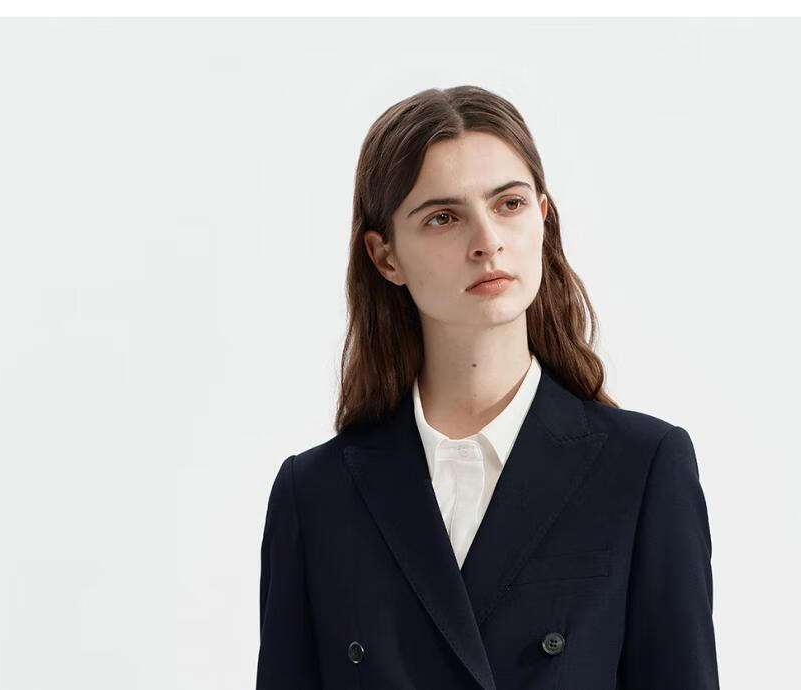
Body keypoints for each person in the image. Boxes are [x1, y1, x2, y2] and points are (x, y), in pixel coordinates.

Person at [256, 85, 720, 689]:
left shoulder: (643, 468)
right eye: (443, 217)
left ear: (543, 218)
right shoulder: (315, 495)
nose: (487, 240)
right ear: (385, 256)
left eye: (509, 204)